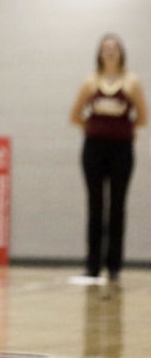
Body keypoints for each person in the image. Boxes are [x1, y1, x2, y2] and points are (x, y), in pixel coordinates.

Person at [69, 34, 147, 281]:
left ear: (121, 53)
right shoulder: (90, 83)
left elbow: (143, 118)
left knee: (117, 205)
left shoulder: (131, 82)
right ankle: (92, 265)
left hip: (122, 150)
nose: (110, 52)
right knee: (95, 205)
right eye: (106, 48)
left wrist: (123, 131)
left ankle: (113, 265)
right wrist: (94, 128)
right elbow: (74, 115)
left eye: (114, 48)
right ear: (100, 53)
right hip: (94, 149)